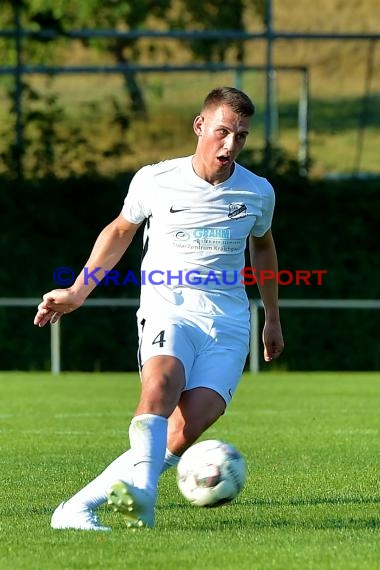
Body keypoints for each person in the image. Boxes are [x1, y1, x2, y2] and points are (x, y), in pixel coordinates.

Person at [34, 86, 284, 531]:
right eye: (223, 131)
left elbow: (263, 248)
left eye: (241, 136)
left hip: (226, 322)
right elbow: (118, 232)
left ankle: (75, 509)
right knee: (160, 385)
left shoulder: (258, 192)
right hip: (169, 308)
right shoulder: (155, 179)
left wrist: (271, 318)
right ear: (200, 126)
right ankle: (142, 502)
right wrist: (76, 291)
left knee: (186, 427)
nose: (230, 144)